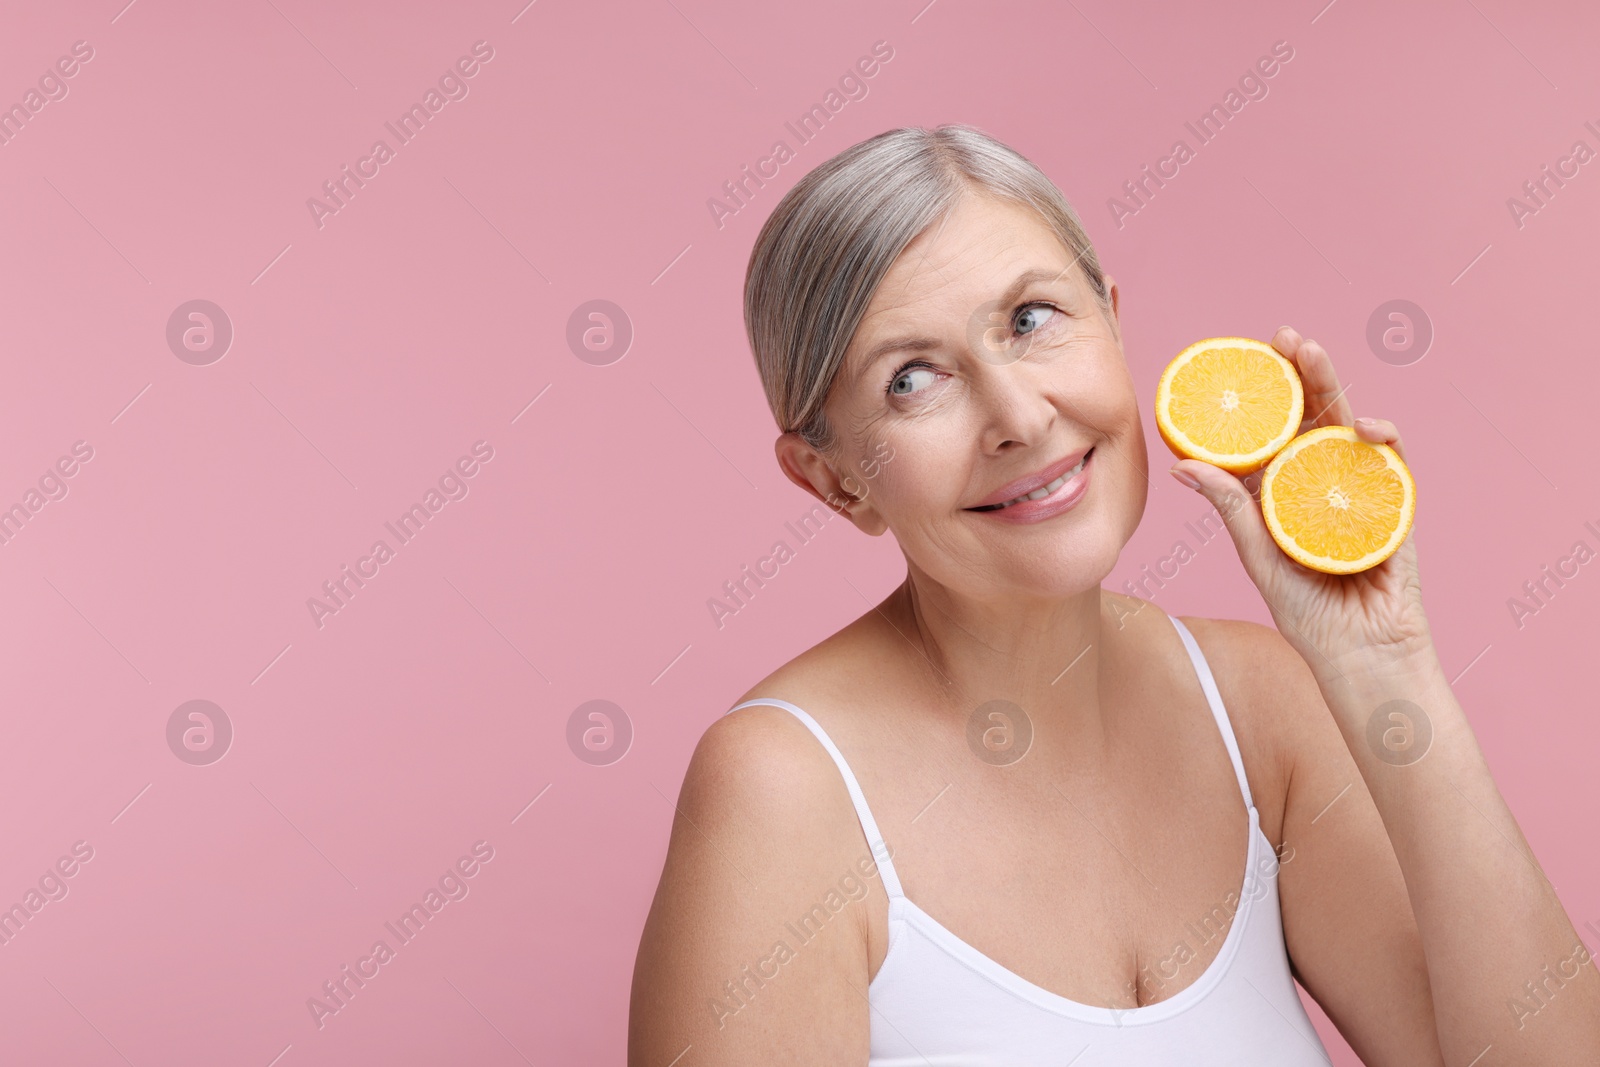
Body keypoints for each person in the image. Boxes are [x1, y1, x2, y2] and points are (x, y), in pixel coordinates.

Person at [628, 124, 1600, 1065]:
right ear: (831, 479)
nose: (1017, 415)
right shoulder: (781, 790)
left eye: (1031, 319)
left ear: (1114, 322)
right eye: (914, 378)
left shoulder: (1259, 712)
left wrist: (1389, 669)